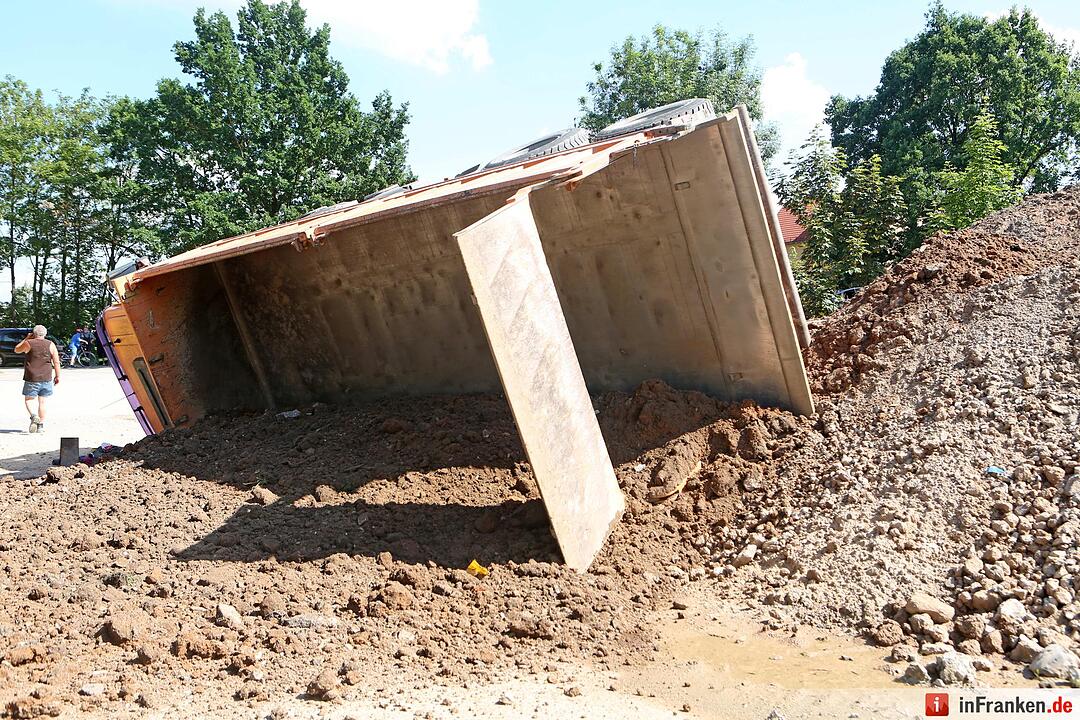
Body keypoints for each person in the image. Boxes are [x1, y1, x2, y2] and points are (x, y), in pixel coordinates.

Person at [14, 325, 61, 433]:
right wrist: (58, 375)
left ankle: (34, 416)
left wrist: (26, 338)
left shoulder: (28, 343)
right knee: (42, 402)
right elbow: (56, 362)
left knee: (29, 399)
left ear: (34, 334)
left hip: (32, 377)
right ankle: (40, 426)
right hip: (46, 376)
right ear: (45, 334)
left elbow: (16, 349)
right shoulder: (51, 344)